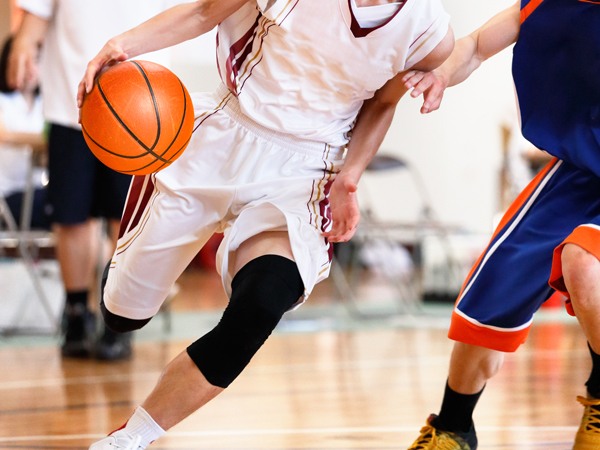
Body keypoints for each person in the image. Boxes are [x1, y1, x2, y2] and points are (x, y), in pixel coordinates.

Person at [77, 0, 454, 448]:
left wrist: (349, 178)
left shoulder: (428, 32)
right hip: (224, 133)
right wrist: (120, 45)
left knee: (260, 304)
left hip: (308, 171)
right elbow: (204, 12)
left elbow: (383, 102)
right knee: (121, 317)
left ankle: (130, 438)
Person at [401, 1, 600, 448]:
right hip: (580, 170)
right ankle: (453, 429)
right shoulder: (543, 5)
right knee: (492, 288)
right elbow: (472, 47)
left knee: (584, 259)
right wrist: (441, 74)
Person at [9, 0, 173, 360]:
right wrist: (23, 45)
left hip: (140, 106)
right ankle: (76, 316)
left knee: (126, 219)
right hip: (71, 103)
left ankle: (115, 317)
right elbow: (37, 13)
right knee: (72, 217)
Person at [0, 35, 47, 230]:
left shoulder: (44, 104)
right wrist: (46, 141)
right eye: (24, 61)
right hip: (9, 195)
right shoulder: (3, 101)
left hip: (38, 190)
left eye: (36, 61)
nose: (31, 69)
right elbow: (4, 135)